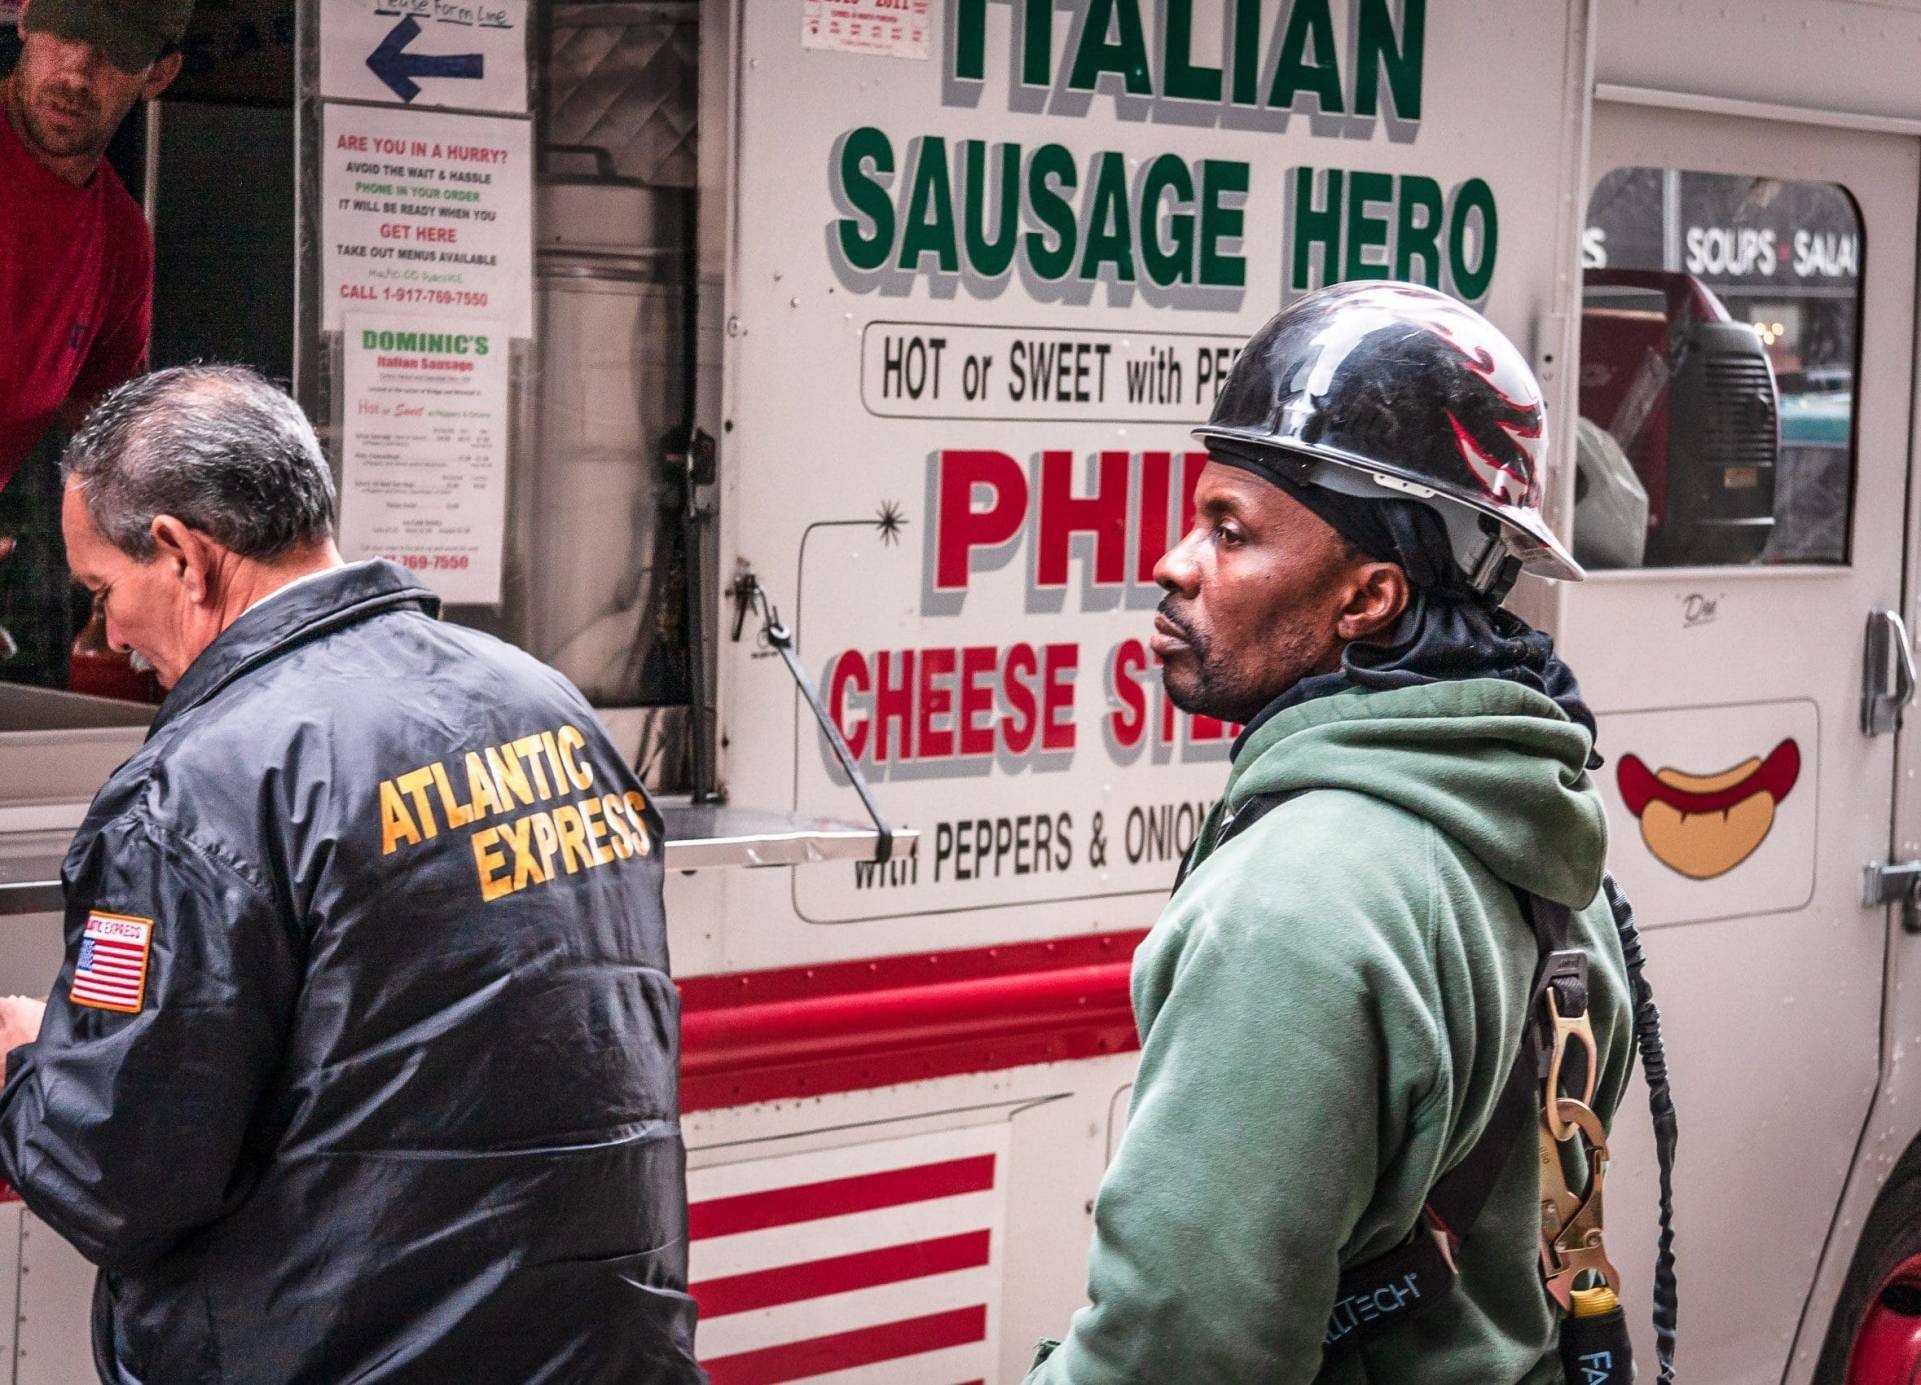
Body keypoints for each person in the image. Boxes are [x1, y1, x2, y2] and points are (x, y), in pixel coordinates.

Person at [0, 366, 705, 1382]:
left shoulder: (198, 788)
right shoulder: (542, 702)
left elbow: (122, 1169)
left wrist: (31, 1065)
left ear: (183, 555)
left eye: (104, 592)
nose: (105, 635)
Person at [1024, 282, 1637, 1383]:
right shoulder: (1548, 848)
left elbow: (1180, 1349)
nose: (1173, 562)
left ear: (1366, 598)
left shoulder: (1293, 906)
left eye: (1230, 530)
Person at [0, 0, 189, 494]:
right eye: (65, 32)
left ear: (160, 74)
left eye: (115, 51)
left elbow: (108, 438)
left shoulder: (122, 242)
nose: (77, 72)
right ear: (25, 18)